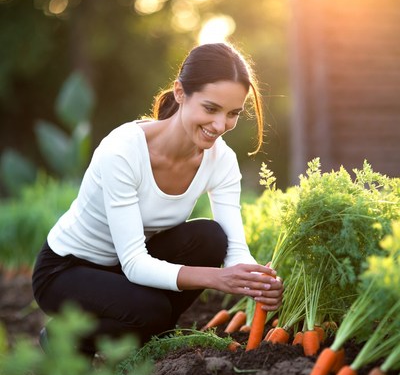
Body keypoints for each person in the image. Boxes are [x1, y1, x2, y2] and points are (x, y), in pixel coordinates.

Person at [32, 42, 284, 357]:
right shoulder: (123, 151)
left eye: (232, 114)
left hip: (121, 270)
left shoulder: (221, 160)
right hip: (66, 271)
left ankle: (149, 337)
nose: (220, 126)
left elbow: (234, 250)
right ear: (180, 92)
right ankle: (63, 338)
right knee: (150, 310)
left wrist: (256, 279)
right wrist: (220, 278)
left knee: (210, 237)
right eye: (210, 108)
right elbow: (135, 264)